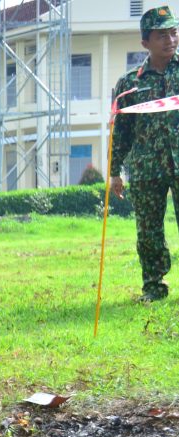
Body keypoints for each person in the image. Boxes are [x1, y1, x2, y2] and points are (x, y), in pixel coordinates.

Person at [111, 5, 179, 302]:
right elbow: (121, 132)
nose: (170, 40)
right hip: (146, 168)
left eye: (173, 32)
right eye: (161, 35)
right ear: (145, 43)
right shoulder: (130, 84)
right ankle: (154, 286)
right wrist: (114, 172)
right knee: (149, 232)